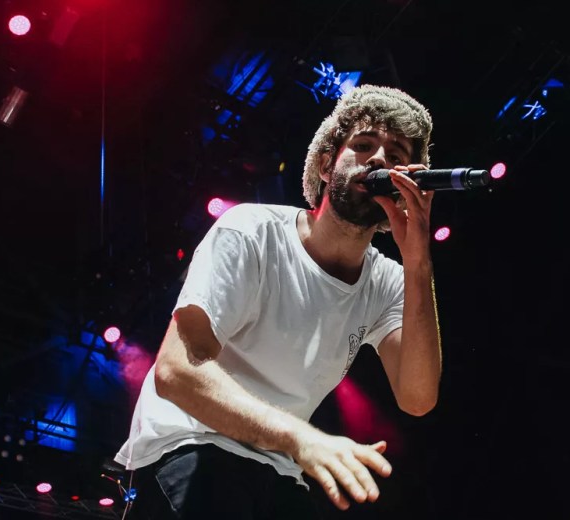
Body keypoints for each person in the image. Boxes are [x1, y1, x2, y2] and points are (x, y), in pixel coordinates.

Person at [115, 84, 443, 519]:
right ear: (326, 164)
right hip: (193, 446)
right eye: (364, 145)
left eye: (397, 155)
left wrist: (418, 258)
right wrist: (302, 438)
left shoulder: (388, 281)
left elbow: (417, 396)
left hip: (278, 466)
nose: (381, 160)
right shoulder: (252, 230)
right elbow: (176, 371)